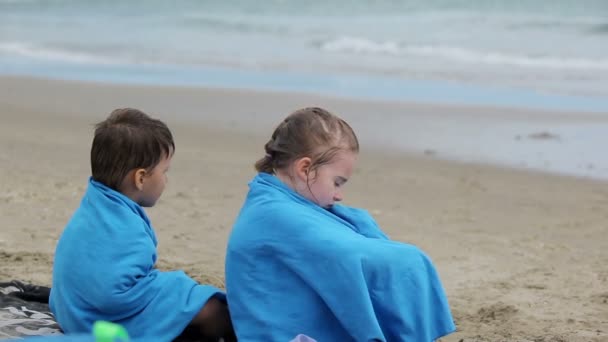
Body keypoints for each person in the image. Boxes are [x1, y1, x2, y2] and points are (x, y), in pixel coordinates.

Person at [225, 107, 455, 341]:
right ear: (305, 169)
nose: (339, 195)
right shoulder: (272, 213)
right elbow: (345, 258)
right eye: (337, 182)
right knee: (409, 261)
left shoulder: (272, 200)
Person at [49, 108, 235, 341]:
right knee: (209, 307)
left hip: (72, 312)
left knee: (177, 290)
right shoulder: (127, 229)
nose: (166, 179)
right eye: (164, 171)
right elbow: (118, 294)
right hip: (99, 321)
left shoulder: (93, 206)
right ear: (140, 178)